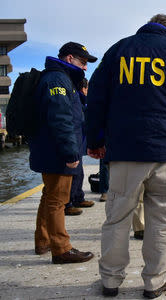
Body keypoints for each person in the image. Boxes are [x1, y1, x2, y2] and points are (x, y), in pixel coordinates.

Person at [86, 14, 166, 298]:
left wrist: (95, 141)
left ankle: (110, 280)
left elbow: (96, 99)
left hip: (125, 153)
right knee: (164, 220)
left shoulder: (119, 51)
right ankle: (156, 281)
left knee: (117, 217)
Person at [29, 42, 97, 264]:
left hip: (50, 149)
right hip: (57, 152)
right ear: (70, 59)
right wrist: (70, 153)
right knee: (58, 200)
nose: (85, 68)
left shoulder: (58, 78)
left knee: (49, 196)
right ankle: (61, 248)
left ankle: (43, 241)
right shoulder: (58, 80)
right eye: (83, 62)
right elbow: (61, 119)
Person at [65, 78, 95, 216]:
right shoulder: (77, 99)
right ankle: (68, 203)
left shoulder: (81, 100)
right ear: (83, 89)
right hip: (74, 142)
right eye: (87, 88)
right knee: (73, 174)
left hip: (79, 142)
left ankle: (78, 197)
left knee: (79, 173)